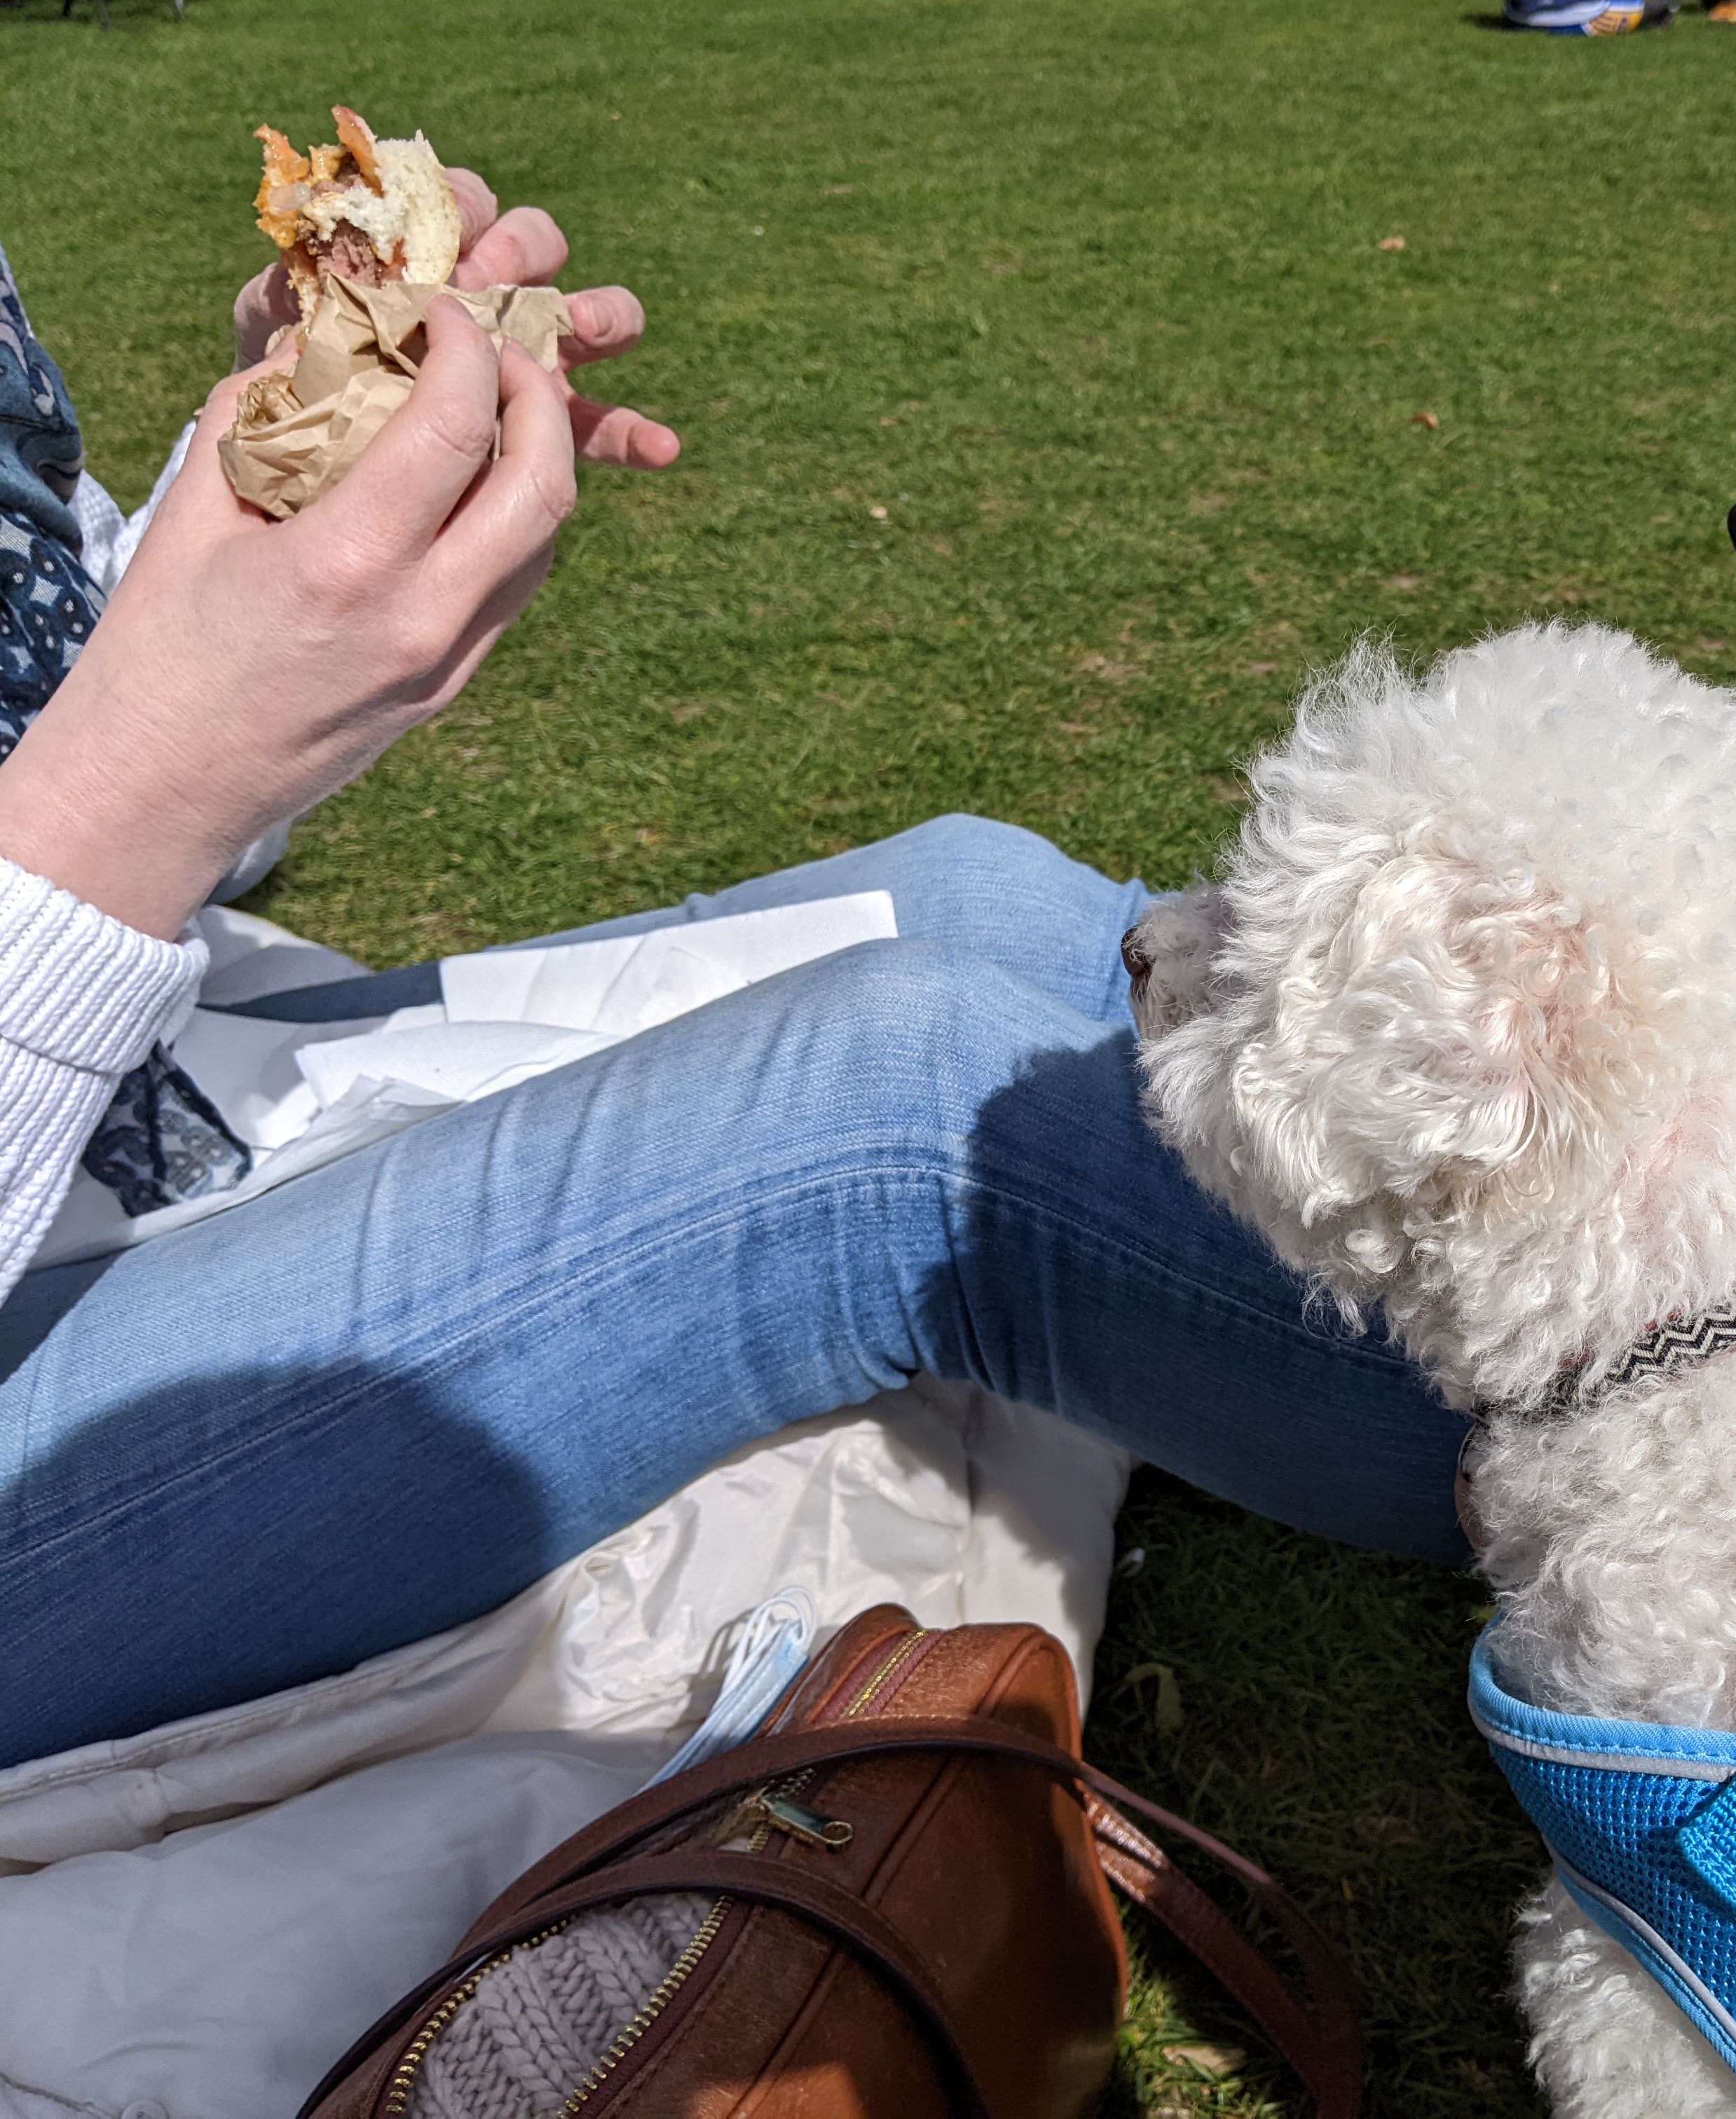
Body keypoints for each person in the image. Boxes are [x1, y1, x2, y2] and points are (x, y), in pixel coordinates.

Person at [0, 170, 1468, 1769]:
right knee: (912, 1118)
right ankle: (1681, 1445)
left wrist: (311, 463)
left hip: (118, 1111)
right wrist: (148, 774)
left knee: (992, 906)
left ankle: (1717, 1208)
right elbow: (105, 793)